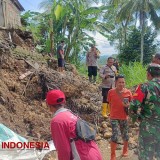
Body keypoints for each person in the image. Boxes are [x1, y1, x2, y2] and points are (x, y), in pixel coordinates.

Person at [46, 89, 103, 160]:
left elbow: (63, 149)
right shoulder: (72, 115)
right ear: (64, 102)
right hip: (95, 154)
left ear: (48, 104)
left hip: (82, 157)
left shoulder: (57, 121)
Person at [129, 63, 160, 160]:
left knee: (146, 155)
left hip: (148, 128)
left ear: (149, 74)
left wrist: (137, 118)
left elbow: (133, 107)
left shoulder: (144, 86)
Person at [107, 75, 132, 160]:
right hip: (114, 117)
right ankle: (112, 155)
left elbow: (132, 104)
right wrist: (110, 113)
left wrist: (128, 105)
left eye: (123, 82)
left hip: (124, 117)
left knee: (125, 135)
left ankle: (125, 150)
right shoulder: (110, 92)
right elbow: (109, 103)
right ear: (116, 83)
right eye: (119, 82)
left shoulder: (128, 92)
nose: (121, 84)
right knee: (115, 135)